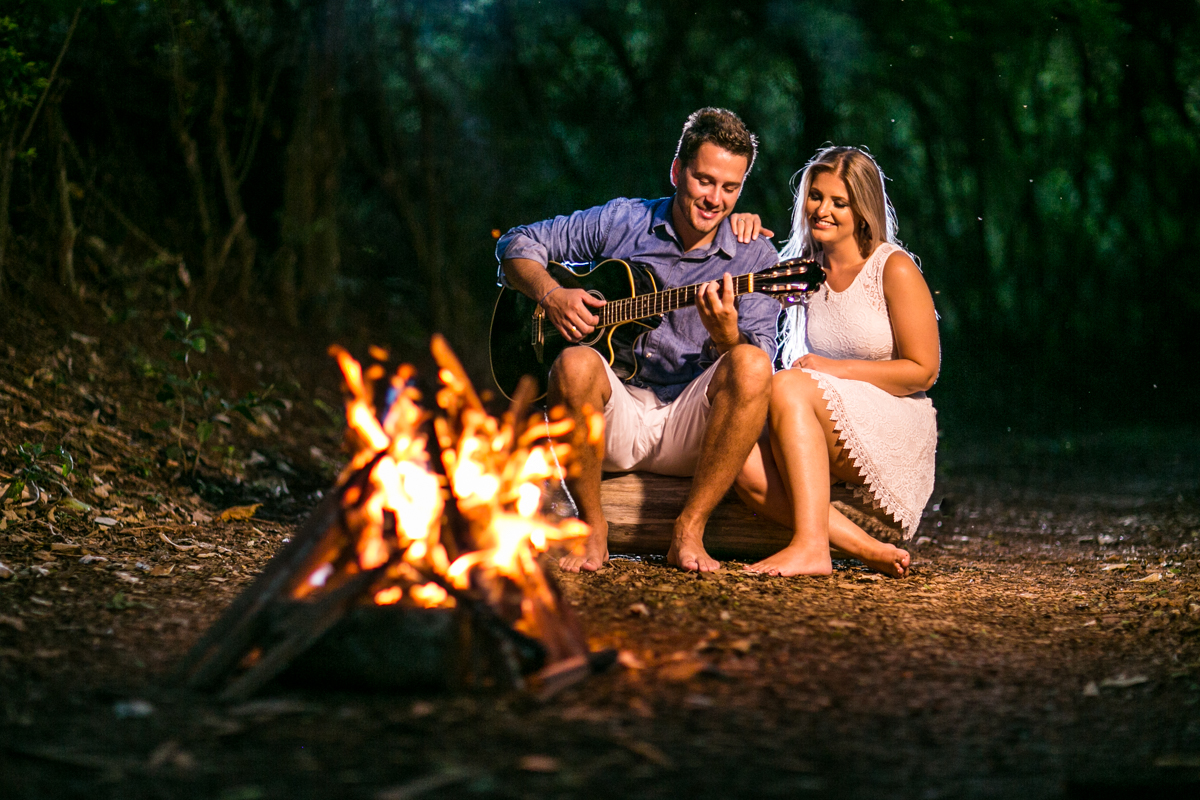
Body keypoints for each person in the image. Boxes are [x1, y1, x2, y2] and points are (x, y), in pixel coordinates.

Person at [496, 108, 781, 573]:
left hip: (695, 426)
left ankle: (689, 530)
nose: (715, 199)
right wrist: (551, 295)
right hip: (614, 417)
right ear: (676, 171)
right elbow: (516, 243)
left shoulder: (757, 256)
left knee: (749, 362)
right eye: (705, 181)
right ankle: (593, 528)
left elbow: (760, 365)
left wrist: (727, 337)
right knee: (573, 364)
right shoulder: (622, 220)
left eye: (731, 188)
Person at [733, 145, 940, 577]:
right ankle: (861, 546)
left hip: (894, 418)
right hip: (820, 414)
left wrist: (831, 369)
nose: (822, 210)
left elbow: (924, 371)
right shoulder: (801, 270)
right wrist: (738, 227)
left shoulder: (893, 268)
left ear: (862, 210)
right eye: (816, 196)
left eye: (839, 202)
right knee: (743, 461)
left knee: (791, 383)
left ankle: (810, 547)